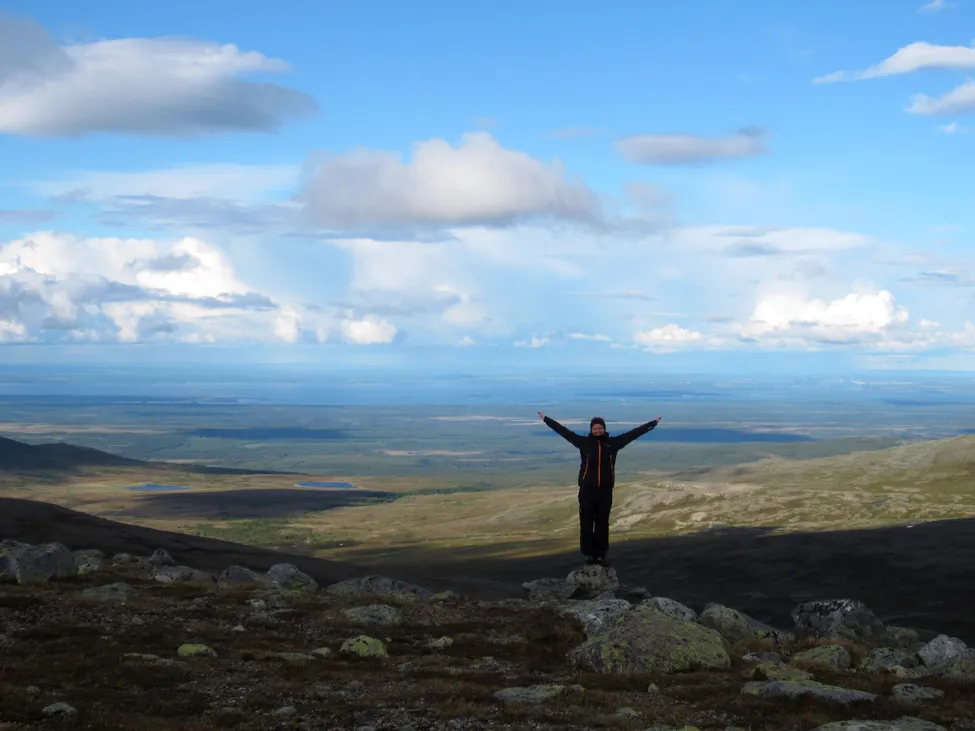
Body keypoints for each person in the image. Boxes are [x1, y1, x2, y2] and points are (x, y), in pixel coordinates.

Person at [537, 412, 662, 566]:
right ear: (591, 430)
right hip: (587, 490)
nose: (597, 431)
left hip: (605, 490)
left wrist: (652, 424)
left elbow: (633, 434)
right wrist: (546, 419)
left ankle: (601, 554)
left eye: (600, 428)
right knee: (586, 522)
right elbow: (564, 432)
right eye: (595, 428)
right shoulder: (583, 443)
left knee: (602, 523)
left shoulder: (613, 443)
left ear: (604, 429)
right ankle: (588, 553)